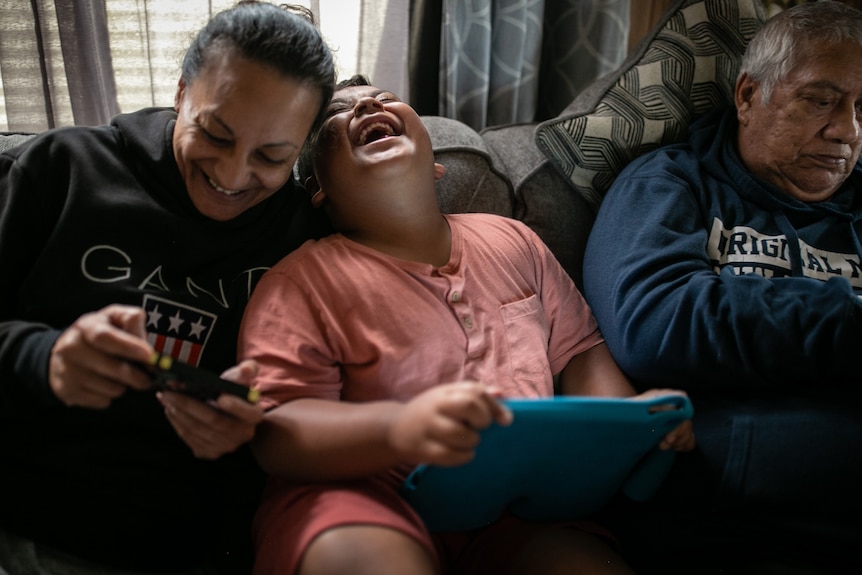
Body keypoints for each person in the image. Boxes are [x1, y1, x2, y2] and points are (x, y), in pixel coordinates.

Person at [237, 75, 695, 575]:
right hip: (359, 495)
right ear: (318, 190)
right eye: (337, 115)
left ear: (436, 164)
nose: (369, 103)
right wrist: (399, 430)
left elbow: (581, 353)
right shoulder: (300, 282)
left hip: (515, 510)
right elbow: (278, 432)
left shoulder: (513, 240)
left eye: (386, 99)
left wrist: (634, 422)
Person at [0, 2, 335, 574]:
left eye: (271, 156)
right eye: (214, 133)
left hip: (193, 544)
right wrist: (45, 355)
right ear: (181, 93)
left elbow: (325, 405)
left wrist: (252, 431)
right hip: (24, 521)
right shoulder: (62, 168)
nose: (231, 177)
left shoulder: (312, 237)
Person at [581, 2, 862, 573]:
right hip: (724, 511)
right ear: (747, 96)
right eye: (820, 100)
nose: (847, 131)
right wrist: (848, 322)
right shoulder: (668, 185)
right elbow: (654, 325)